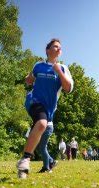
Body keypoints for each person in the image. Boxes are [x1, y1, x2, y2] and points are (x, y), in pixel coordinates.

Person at [16, 38, 74, 178]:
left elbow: (68, 88)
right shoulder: (38, 65)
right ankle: (25, 160)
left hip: (49, 108)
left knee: (41, 125)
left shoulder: (63, 68)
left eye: (60, 47)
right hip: (33, 100)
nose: (58, 49)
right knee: (41, 123)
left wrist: (58, 71)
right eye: (55, 46)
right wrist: (28, 79)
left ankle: (25, 162)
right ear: (48, 50)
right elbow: (30, 78)